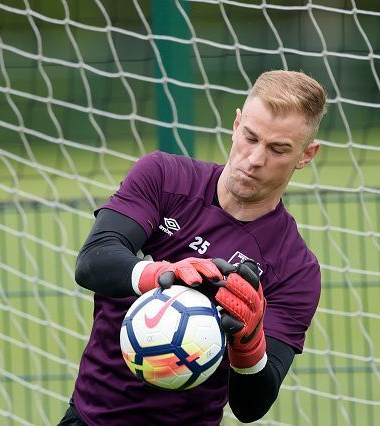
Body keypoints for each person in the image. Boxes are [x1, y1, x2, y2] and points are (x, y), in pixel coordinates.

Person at [59, 69, 327, 425]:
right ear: (235, 125)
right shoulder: (164, 177)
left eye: (278, 149)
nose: (254, 159)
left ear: (307, 155)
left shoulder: (295, 268)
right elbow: (93, 262)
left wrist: (249, 345)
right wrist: (166, 274)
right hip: (90, 417)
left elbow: (251, 407)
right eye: (250, 137)